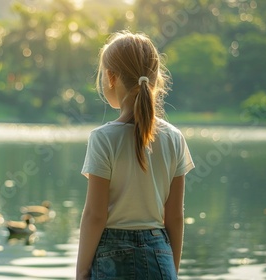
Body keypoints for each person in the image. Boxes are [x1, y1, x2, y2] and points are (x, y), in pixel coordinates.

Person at [76, 30, 195, 280]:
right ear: (156, 79)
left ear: (111, 77)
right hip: (160, 252)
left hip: (112, 255)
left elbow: (95, 215)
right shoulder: (174, 138)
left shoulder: (103, 138)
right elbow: (174, 216)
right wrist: (170, 268)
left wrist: (81, 272)